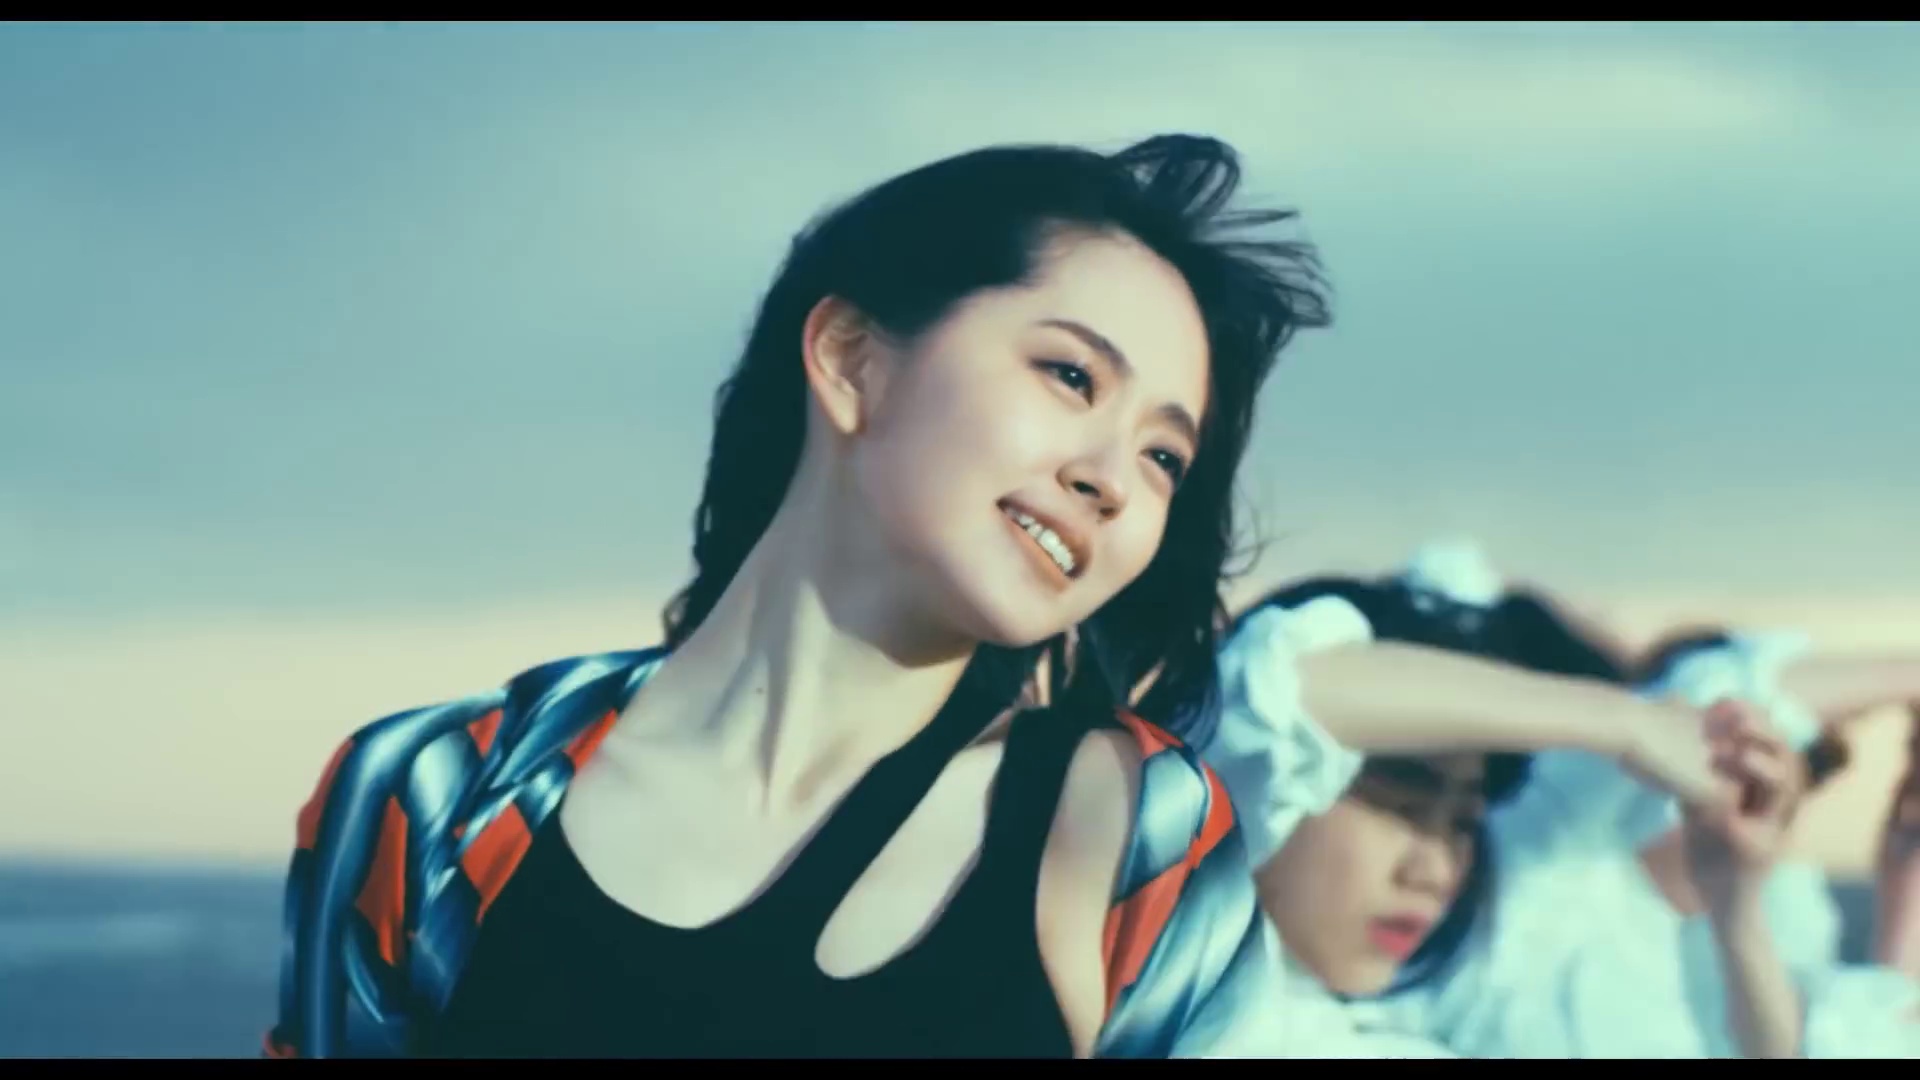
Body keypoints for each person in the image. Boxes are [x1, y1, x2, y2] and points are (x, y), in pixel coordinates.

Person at [262, 133, 1339, 1059]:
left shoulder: (1130, 830)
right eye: (1071, 376)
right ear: (851, 357)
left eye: (1164, 458)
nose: (1112, 480)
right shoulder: (442, 791)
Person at [1186, 552, 1736, 1057]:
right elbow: (1280, 691)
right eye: (1402, 807)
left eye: (1464, 824)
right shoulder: (1181, 958)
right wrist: (1624, 721)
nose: (1433, 873)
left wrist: (1741, 899)